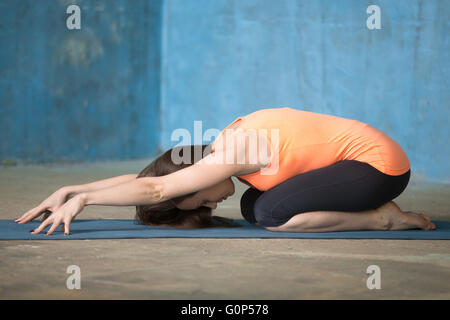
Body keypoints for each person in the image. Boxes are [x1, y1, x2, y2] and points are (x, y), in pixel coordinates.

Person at [16, 107, 435, 235]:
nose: (212, 200)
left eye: (200, 196)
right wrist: (72, 187)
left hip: (380, 167)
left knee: (271, 215)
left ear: (197, 174)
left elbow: (158, 191)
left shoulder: (235, 151)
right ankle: (379, 209)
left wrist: (86, 201)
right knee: (255, 205)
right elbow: (149, 180)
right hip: (360, 163)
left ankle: (384, 217)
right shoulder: (216, 148)